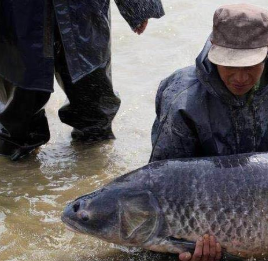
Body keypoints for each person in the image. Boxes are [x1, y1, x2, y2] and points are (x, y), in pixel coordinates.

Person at [150, 4, 268, 261]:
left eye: (251, 66)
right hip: (201, 209)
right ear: (213, 48)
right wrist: (184, 246)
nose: (240, 77)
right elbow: (163, 184)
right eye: (229, 65)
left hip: (267, 202)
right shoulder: (181, 100)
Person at [0, 0, 165, 161]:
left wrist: (138, 6)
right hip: (17, 11)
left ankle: (93, 169)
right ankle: (19, 174)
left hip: (82, 10)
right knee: (18, 108)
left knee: (93, 100)